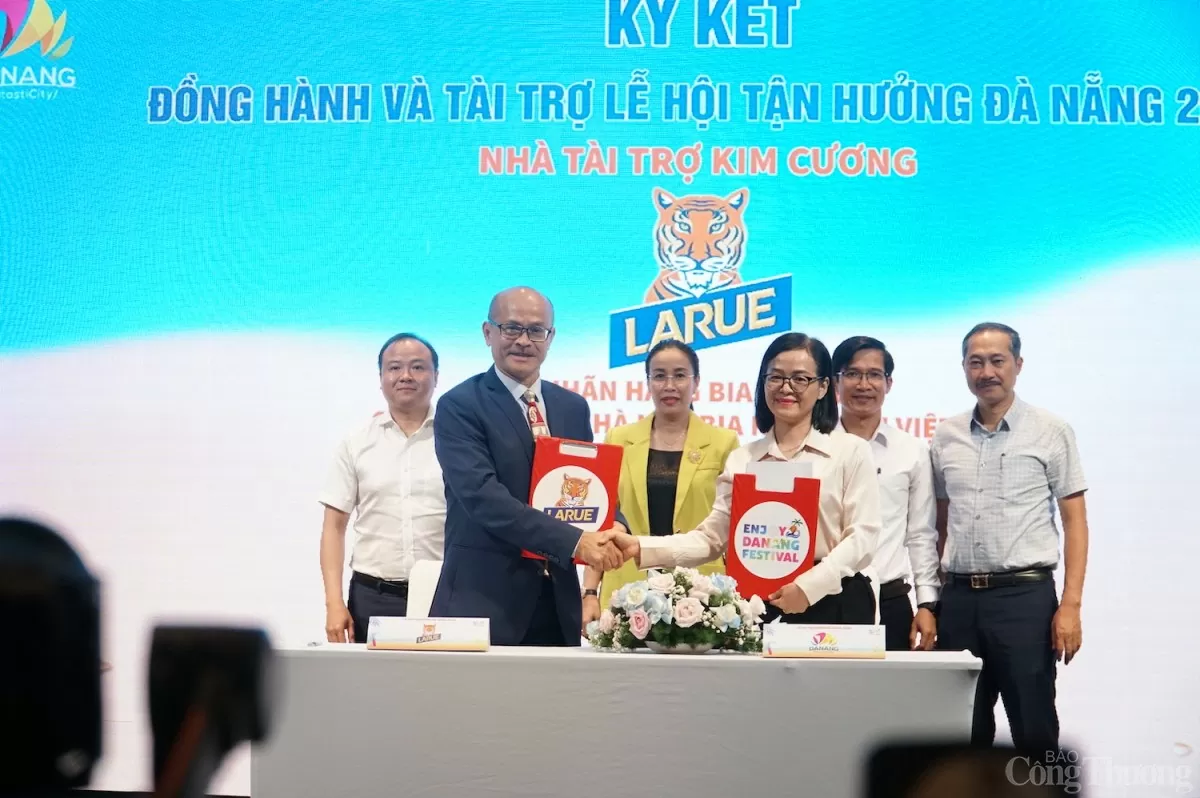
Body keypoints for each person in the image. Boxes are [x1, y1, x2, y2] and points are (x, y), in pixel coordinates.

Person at [613, 332, 882, 624]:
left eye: (800, 378)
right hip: (759, 602)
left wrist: (809, 587)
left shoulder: (850, 451)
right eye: (775, 377)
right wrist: (640, 546)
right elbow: (711, 539)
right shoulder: (743, 459)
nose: (786, 387)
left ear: (823, 387)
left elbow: (863, 536)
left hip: (835, 598)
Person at [430, 287, 627, 646]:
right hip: (484, 603)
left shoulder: (572, 407)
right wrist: (577, 541)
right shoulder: (460, 405)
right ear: (488, 332)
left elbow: (588, 483)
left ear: (551, 337)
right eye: (511, 328)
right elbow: (483, 498)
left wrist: (613, 524)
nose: (523, 341)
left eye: (536, 330)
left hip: (558, 604)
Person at [931, 322, 1088, 751]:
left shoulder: (1051, 430)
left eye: (997, 361)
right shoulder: (946, 434)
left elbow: (1075, 521)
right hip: (959, 601)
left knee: (1033, 729)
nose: (987, 372)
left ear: (1018, 364)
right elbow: (939, 522)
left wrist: (1071, 605)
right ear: (964, 368)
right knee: (960, 733)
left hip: (1024, 601)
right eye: (976, 362)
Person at [580, 340, 740, 631]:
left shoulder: (724, 443)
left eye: (679, 375)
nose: (669, 385)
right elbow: (602, 522)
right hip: (628, 585)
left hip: (700, 588)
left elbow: (730, 527)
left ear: (696, 382)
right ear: (648, 382)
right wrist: (590, 592)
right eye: (659, 376)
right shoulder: (618, 439)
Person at [319, 333, 445, 643]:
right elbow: (333, 528)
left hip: (445, 593)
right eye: (394, 367)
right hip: (373, 597)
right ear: (381, 378)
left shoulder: (459, 438)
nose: (406, 376)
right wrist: (334, 603)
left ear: (436, 376)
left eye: (418, 367)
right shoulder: (357, 442)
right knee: (375, 677)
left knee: (446, 676)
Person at [832, 336, 939, 651]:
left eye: (874, 375)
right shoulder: (815, 446)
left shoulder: (911, 451)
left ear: (888, 383)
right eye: (852, 374)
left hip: (890, 599)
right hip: (824, 598)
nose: (863, 384)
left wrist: (927, 603)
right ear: (835, 382)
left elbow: (921, 534)